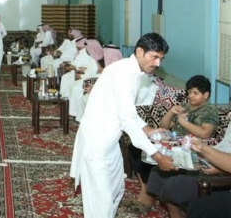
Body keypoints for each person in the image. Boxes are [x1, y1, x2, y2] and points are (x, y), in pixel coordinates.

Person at [70, 33, 176, 218]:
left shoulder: (133, 72)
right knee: (101, 200)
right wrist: (157, 156)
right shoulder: (123, 73)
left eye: (161, 58)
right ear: (140, 52)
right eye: (154, 57)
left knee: (115, 191)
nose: (158, 63)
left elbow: (128, 112)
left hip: (110, 142)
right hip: (97, 142)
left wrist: (149, 130)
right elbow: (127, 120)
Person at [147, 88, 231, 218]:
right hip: (208, 161)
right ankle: (173, 213)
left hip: (224, 177)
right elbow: (223, 147)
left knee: (173, 184)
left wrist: (219, 170)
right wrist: (201, 152)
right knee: (159, 171)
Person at [129, 75, 218, 212]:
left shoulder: (209, 110)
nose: (190, 96)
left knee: (152, 157)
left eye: (195, 93)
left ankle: (150, 196)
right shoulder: (185, 106)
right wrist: (171, 112)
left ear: (206, 95)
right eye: (189, 92)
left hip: (189, 148)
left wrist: (182, 122)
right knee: (135, 148)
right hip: (172, 143)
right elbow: (165, 126)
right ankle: (146, 190)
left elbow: (205, 133)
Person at [71, 44, 123, 121]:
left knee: (89, 99)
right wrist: (94, 88)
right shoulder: (109, 68)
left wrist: (95, 89)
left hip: (113, 99)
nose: (103, 55)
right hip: (104, 92)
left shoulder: (120, 69)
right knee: (85, 98)